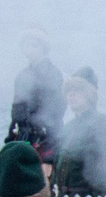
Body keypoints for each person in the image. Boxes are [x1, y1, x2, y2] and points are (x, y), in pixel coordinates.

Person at [51, 68, 106, 197]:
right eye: (69, 91)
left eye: (77, 90)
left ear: (90, 94)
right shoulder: (68, 128)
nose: (71, 94)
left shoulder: (103, 126)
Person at [7, 29, 65, 159]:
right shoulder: (22, 76)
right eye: (26, 45)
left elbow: (55, 114)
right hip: (23, 137)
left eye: (34, 45)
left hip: (43, 138)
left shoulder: (52, 74)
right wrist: (10, 140)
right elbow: (16, 113)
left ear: (44, 47)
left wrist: (49, 157)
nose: (29, 49)